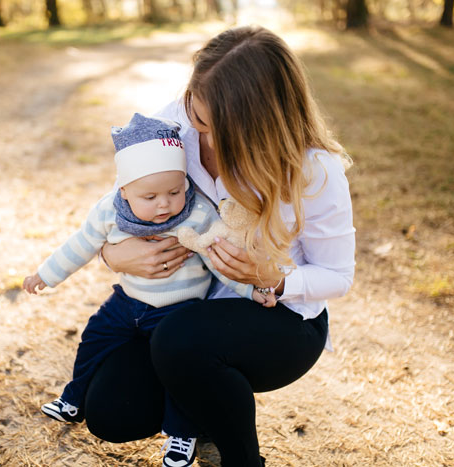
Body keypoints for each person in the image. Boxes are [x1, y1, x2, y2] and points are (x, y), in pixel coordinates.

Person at [86, 26, 356, 467]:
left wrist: (274, 277)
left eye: (216, 130)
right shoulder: (175, 122)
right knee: (112, 414)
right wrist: (111, 254)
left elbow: (339, 277)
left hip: (281, 320)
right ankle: (204, 405)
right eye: (196, 115)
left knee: (183, 341)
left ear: (258, 126)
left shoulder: (314, 169)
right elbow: (117, 203)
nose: (201, 139)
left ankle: (237, 456)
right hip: (182, 305)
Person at [22, 113, 271, 467]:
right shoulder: (110, 211)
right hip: (128, 302)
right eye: (150, 196)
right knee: (94, 335)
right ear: (124, 190)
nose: (164, 204)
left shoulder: (197, 214)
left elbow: (221, 263)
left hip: (178, 310)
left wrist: (250, 292)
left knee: (175, 365)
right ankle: (73, 397)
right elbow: (80, 245)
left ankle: (182, 435)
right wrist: (45, 275)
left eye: (174, 191)